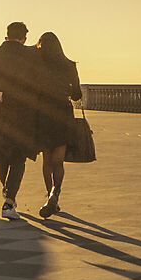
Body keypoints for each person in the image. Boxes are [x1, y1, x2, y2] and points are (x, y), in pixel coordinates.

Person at [0, 21, 48, 216]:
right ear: (24, 38)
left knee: (2, 155)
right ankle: (9, 201)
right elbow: (38, 85)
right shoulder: (32, 56)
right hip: (23, 112)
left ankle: (7, 190)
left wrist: (0, 89)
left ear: (6, 36)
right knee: (18, 158)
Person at [30, 31, 87, 218]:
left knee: (47, 160)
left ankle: (49, 197)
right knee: (58, 161)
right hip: (62, 112)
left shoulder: (38, 65)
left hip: (43, 113)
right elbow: (77, 94)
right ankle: (56, 194)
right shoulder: (69, 65)